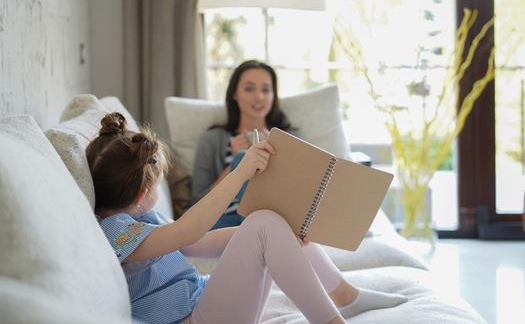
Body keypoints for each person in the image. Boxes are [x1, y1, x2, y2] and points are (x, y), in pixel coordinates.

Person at [88, 112, 408, 324]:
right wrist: (240, 173)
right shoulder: (115, 234)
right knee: (264, 223)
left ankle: (343, 294)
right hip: (190, 319)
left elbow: (196, 244)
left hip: (204, 303)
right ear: (143, 194)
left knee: (271, 221)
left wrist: (283, 239)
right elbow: (187, 231)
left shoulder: (140, 223)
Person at [191, 60, 294, 229]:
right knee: (242, 158)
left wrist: (279, 158)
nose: (259, 96)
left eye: (266, 90)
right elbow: (196, 204)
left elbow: (299, 196)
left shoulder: (290, 139)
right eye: (249, 88)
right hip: (225, 220)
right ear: (235, 93)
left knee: (267, 224)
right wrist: (236, 167)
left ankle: (261, 230)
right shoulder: (212, 139)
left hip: (273, 220)